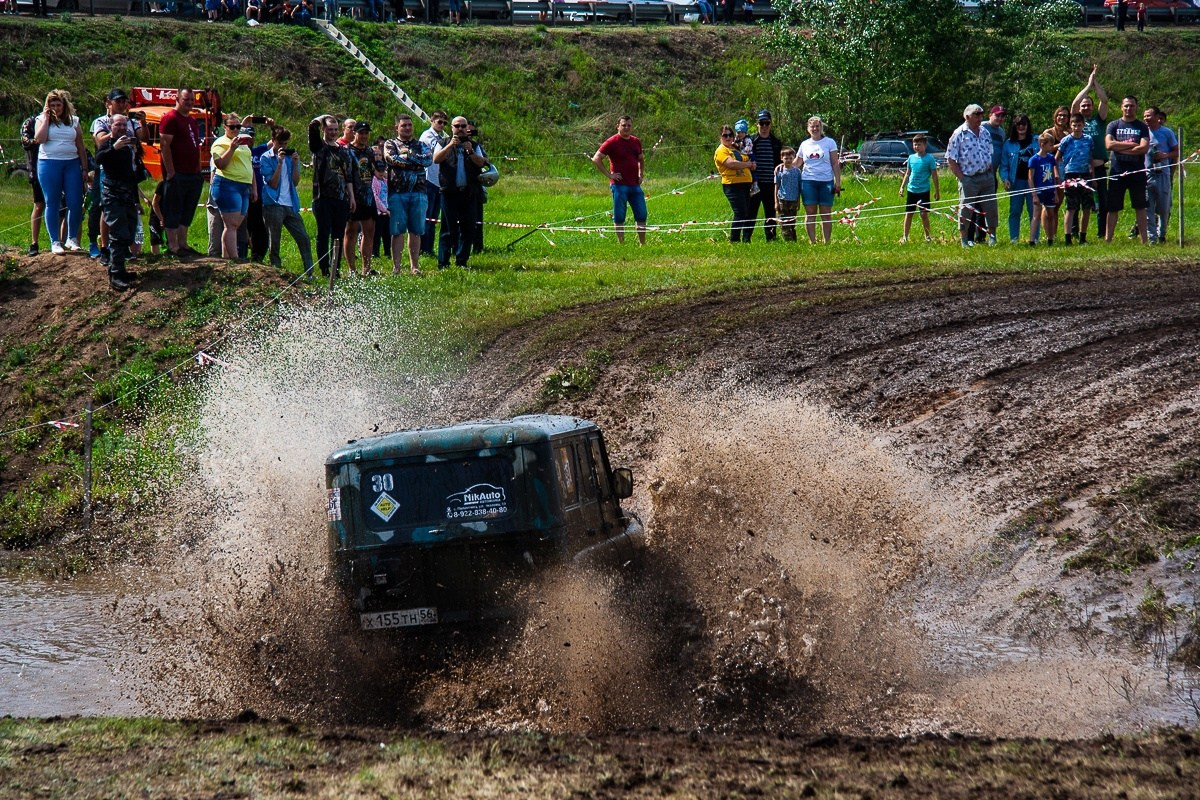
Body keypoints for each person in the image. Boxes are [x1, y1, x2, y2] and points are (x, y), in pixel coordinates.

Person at [90, 88, 147, 266]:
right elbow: (100, 141)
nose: (122, 105)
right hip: (109, 170)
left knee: (128, 209)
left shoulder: (130, 122)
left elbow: (143, 138)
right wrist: (116, 134)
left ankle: (125, 247)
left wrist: (143, 123)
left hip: (128, 169)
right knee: (107, 209)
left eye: (124, 102)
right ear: (109, 103)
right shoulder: (101, 121)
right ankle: (106, 247)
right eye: (118, 101)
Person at [33, 89, 89, 255]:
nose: (56, 108)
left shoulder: (74, 121)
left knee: (75, 202)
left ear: (65, 106)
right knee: (52, 202)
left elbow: (80, 146)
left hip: (71, 163)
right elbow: (40, 139)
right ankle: (55, 241)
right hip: (49, 163)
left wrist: (84, 167)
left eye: (59, 105)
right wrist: (46, 119)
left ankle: (72, 238)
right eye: (53, 105)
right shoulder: (41, 119)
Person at [93, 114, 146, 291]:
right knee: (118, 233)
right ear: (110, 126)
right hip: (112, 195)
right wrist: (114, 148)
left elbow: (133, 176)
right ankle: (116, 272)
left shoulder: (129, 147)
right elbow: (99, 160)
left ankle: (120, 267)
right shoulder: (107, 144)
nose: (122, 128)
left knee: (130, 232)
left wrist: (137, 200)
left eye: (124, 125)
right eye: (118, 125)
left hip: (127, 195)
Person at [260, 126, 316, 279]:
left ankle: (310, 271)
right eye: (280, 144)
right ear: (273, 141)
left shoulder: (291, 158)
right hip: (273, 203)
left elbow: (295, 182)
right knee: (275, 240)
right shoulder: (266, 158)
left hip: (290, 203)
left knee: (303, 237)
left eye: (285, 144)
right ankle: (275, 270)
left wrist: (295, 163)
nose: (283, 147)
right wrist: (279, 164)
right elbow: (272, 183)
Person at [433, 115, 488, 268]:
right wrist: (450, 146)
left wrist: (470, 152)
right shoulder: (443, 142)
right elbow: (436, 159)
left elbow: (482, 162)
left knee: (468, 228)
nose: (461, 129)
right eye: (457, 126)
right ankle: (443, 262)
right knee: (447, 228)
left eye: (463, 126)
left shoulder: (474, 145)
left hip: (469, 193)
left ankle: (461, 261)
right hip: (449, 192)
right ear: (451, 128)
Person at [308, 114, 357, 277]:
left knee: (338, 234)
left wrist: (351, 197)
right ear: (324, 130)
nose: (333, 132)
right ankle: (324, 268)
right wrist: (324, 117)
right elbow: (311, 126)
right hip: (322, 197)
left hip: (341, 198)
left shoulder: (344, 151)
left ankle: (335, 267)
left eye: (336, 129)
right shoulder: (318, 146)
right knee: (323, 233)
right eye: (330, 129)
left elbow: (348, 175)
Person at [383, 114, 432, 275]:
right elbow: (391, 158)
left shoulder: (421, 144)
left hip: (419, 192)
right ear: (396, 127)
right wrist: (411, 161)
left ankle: (414, 266)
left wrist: (409, 156)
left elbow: (427, 160)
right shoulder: (390, 143)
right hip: (397, 192)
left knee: (416, 230)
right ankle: (396, 267)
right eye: (404, 125)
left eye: (410, 125)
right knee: (397, 231)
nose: (407, 128)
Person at [159, 88, 205, 258]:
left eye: (192, 100)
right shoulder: (170, 118)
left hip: (193, 173)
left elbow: (196, 147)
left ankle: (182, 243)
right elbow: (165, 145)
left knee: (187, 210)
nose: (190, 103)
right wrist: (171, 172)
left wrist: (199, 169)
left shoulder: (192, 120)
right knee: (173, 209)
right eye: (186, 99)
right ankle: (172, 245)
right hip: (177, 173)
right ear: (177, 99)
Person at [210, 113, 259, 260]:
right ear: (225, 127)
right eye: (232, 127)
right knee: (231, 224)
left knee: (235, 224)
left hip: (244, 186)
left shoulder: (244, 144)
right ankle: (235, 258)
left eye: (238, 126)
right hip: (227, 184)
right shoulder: (220, 143)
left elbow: (249, 167)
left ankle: (227, 258)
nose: (236, 129)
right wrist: (231, 148)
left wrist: (254, 188)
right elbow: (221, 165)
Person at [947, 104, 996, 247]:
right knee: (966, 210)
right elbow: (951, 158)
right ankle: (964, 240)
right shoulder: (958, 134)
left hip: (986, 176)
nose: (980, 118)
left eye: (981, 114)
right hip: (969, 178)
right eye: (976, 114)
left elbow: (989, 153)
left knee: (991, 208)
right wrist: (962, 178)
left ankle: (992, 237)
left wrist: (991, 173)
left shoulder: (985, 132)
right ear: (967, 116)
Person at [592, 115, 647, 245]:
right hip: (619, 185)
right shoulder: (612, 142)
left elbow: (641, 159)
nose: (626, 128)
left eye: (629, 125)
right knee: (619, 216)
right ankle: (621, 244)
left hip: (634, 185)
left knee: (641, 214)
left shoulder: (636, 141)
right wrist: (609, 175)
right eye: (623, 125)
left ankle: (642, 244)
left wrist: (641, 174)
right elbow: (596, 158)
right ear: (618, 126)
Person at [1071, 65, 1110, 239]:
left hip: (1099, 167)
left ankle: (1101, 233)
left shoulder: (1098, 120)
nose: (1085, 108)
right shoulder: (1077, 121)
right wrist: (1087, 87)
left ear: (1092, 108)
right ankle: (1074, 232)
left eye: (1088, 105)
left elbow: (1105, 101)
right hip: (1080, 168)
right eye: (1084, 105)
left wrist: (1095, 83)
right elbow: (1074, 104)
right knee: (1078, 202)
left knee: (1102, 201)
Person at [1105, 95, 1150, 244]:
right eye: (1126, 106)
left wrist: (1121, 147)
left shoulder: (1142, 127)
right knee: (1113, 207)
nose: (1128, 108)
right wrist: (1131, 145)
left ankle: (1144, 240)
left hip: (1137, 171)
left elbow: (1143, 148)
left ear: (1136, 107)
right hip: (1117, 171)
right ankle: (1108, 240)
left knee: (1140, 206)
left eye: (1131, 105)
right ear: (1121, 107)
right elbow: (1109, 145)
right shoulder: (1113, 125)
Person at [798, 115, 840, 245]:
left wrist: (837, 181)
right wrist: (783, 165)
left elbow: (835, 163)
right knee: (810, 213)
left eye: (817, 126)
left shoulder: (829, 142)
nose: (815, 128)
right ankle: (813, 242)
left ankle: (827, 241)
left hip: (826, 181)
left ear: (821, 127)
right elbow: (797, 162)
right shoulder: (804, 144)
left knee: (826, 213)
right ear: (808, 129)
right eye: (812, 126)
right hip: (808, 181)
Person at [345, 121, 380, 276]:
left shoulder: (370, 151)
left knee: (369, 231)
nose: (364, 136)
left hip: (367, 194)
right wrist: (350, 195)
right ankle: (352, 269)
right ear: (355, 133)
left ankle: (366, 267)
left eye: (367, 133)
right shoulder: (346, 150)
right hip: (352, 195)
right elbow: (347, 175)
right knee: (351, 231)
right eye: (361, 133)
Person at [1000, 113, 1038, 244]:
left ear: (1028, 126)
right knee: (1015, 211)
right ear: (1014, 127)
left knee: (1034, 210)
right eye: (1018, 124)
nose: (1021, 127)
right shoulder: (1008, 144)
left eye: (1024, 124)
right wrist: (1005, 179)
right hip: (1016, 182)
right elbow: (1004, 165)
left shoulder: (1036, 140)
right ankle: (1014, 239)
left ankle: (1035, 238)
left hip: (1033, 182)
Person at [1057, 112, 1094, 246]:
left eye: (1079, 125)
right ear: (1071, 126)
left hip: (1084, 174)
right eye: (1074, 125)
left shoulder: (1088, 139)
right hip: (1070, 174)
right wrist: (1059, 175)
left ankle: (1083, 237)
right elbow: (1057, 157)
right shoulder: (1066, 140)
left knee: (1086, 207)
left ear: (1083, 125)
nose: (1077, 127)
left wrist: (1092, 176)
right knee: (1071, 207)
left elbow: (1090, 158)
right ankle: (1068, 238)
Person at [713, 124, 754, 243]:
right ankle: (734, 240)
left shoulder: (737, 148)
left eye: (730, 135)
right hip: (732, 185)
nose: (728, 138)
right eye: (725, 135)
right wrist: (748, 165)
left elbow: (747, 158)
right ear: (720, 137)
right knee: (740, 212)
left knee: (746, 212)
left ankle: (745, 240)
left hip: (745, 184)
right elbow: (731, 164)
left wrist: (751, 164)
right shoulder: (721, 150)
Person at [1143, 106, 1178, 244]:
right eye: (1145, 116)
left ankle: (1161, 234)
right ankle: (1152, 238)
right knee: (1148, 207)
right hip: (1146, 174)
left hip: (1163, 173)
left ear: (1157, 117)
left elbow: (1176, 151)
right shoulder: (1143, 132)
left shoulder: (1167, 132)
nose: (1146, 118)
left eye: (1149, 116)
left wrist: (1166, 155)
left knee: (1163, 207)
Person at [898, 133, 939, 243]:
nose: (916, 147)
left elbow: (934, 175)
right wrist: (902, 187)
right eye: (915, 144)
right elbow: (907, 173)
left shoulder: (929, 159)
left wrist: (937, 191)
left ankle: (928, 236)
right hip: (912, 190)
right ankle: (905, 237)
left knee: (923, 214)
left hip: (924, 191)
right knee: (909, 214)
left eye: (919, 144)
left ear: (925, 145)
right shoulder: (911, 158)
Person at [748, 109, 782, 242]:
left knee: (770, 212)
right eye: (761, 123)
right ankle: (746, 238)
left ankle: (771, 237)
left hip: (770, 183)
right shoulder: (751, 141)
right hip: (755, 183)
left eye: (766, 123)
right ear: (757, 124)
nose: (764, 126)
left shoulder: (776, 142)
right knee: (751, 212)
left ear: (770, 124)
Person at [419, 111, 449, 256]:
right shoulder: (427, 136)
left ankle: (429, 248)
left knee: (433, 217)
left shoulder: (442, 137)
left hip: (438, 181)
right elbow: (438, 151)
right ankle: (423, 248)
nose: (442, 125)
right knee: (427, 216)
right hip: (428, 180)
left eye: (444, 123)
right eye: (439, 122)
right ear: (432, 120)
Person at [19, 113, 45, 257]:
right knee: (39, 204)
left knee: (61, 207)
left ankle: (60, 241)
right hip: (36, 168)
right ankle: (34, 243)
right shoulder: (31, 121)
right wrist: (39, 139)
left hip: (59, 167)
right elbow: (25, 142)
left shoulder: (62, 119)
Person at [1029, 133, 1061, 246]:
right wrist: (1034, 194)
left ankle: (1050, 238)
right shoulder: (1034, 159)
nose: (1052, 147)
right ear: (1042, 144)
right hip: (1039, 191)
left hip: (1050, 191)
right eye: (1050, 144)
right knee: (1036, 215)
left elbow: (1052, 175)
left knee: (1051, 214)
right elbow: (1030, 178)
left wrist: (1055, 192)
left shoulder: (1051, 158)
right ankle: (1032, 240)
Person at [773, 147, 801, 243]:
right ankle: (787, 241)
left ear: (793, 158)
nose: (788, 160)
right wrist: (776, 201)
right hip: (782, 199)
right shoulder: (779, 171)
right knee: (783, 221)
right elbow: (776, 186)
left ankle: (794, 240)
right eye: (786, 158)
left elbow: (799, 187)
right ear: (781, 158)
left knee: (792, 221)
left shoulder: (797, 172)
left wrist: (798, 201)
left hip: (793, 200)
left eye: (790, 158)